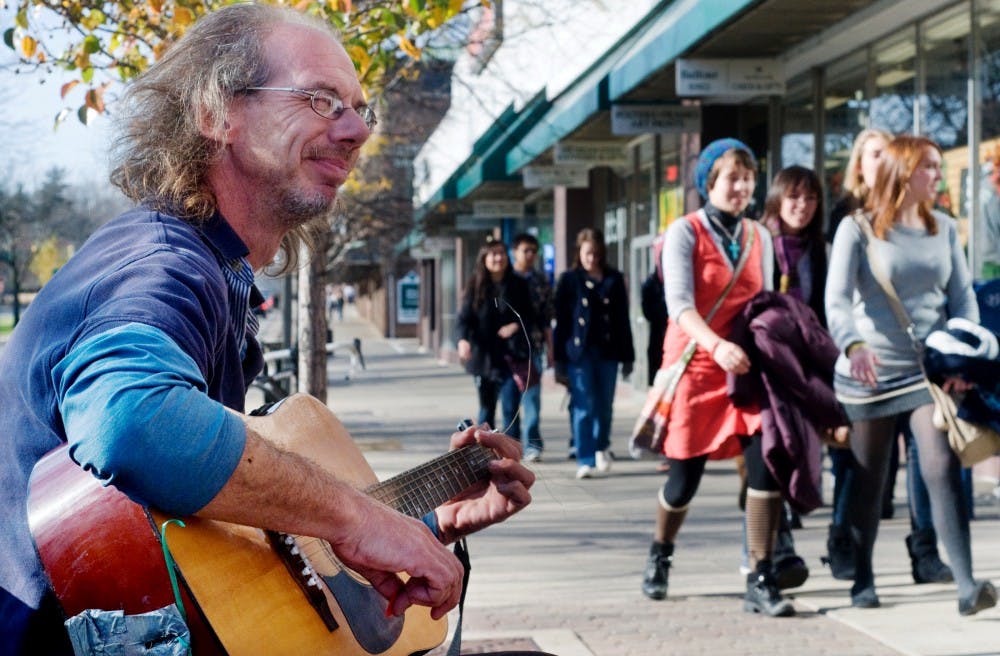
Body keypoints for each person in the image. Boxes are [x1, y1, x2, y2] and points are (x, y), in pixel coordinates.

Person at [0, 6, 535, 653]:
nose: (357, 131)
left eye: (362, 109)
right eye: (320, 99)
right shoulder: (162, 266)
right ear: (215, 113)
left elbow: (220, 526)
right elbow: (132, 421)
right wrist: (353, 516)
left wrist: (424, 520)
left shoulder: (216, 270)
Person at [826, 134, 996, 615]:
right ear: (904, 172)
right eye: (930, 168)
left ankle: (966, 585)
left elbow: (962, 298)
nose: (937, 177)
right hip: (871, 374)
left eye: (938, 168)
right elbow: (836, 299)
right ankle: (862, 577)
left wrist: (964, 358)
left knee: (941, 465)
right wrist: (852, 344)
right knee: (870, 479)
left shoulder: (943, 228)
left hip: (925, 375)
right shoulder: (856, 230)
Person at [639, 138, 796, 617]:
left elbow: (763, 303)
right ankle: (660, 553)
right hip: (696, 364)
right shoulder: (683, 232)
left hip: (743, 369)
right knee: (684, 480)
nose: (742, 186)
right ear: (710, 181)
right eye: (732, 177)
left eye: (748, 178)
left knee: (764, 464)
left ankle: (761, 574)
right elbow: (679, 306)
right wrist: (717, 345)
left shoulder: (759, 236)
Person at [824, 129, 952, 588]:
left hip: (920, 367)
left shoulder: (931, 220)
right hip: (867, 365)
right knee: (864, 469)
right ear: (861, 163)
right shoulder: (848, 221)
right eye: (873, 154)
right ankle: (848, 548)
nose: (882, 161)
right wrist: (848, 344)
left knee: (929, 456)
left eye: (888, 153)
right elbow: (836, 295)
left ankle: (926, 551)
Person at [554, 228, 635, 480]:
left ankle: (602, 446)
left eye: (597, 253)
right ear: (579, 252)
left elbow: (623, 320)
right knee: (583, 406)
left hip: (608, 352)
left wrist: (628, 356)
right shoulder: (569, 280)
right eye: (588, 253)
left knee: (604, 406)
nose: (592, 258)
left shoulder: (614, 278)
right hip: (579, 354)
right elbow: (562, 323)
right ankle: (585, 457)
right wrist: (558, 361)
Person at [457, 239, 536, 435]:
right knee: (486, 410)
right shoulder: (475, 286)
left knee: (511, 409)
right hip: (484, 359)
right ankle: (484, 458)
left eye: (502, 253)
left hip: (511, 357)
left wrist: (515, 325)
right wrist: (463, 340)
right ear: (484, 259)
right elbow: (463, 320)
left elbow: (531, 315)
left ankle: (511, 458)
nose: (498, 258)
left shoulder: (518, 284)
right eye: (493, 254)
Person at [510, 233, 555, 462]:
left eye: (533, 251)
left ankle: (533, 444)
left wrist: (550, 349)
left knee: (532, 398)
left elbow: (547, 318)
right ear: (515, 251)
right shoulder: (505, 279)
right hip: (508, 349)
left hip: (533, 346)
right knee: (510, 401)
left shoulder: (540, 280)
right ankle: (511, 445)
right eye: (525, 250)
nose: (530, 255)